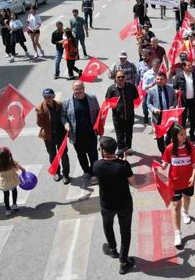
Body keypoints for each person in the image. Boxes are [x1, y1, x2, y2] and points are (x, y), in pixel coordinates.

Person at [93, 136, 138, 275]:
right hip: (124, 203)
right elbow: (134, 183)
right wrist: (123, 162)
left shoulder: (97, 165)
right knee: (125, 231)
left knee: (108, 225)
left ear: (104, 151)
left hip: (107, 204)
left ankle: (112, 250)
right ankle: (123, 262)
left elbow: (106, 167)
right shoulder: (123, 166)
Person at [158, 125, 195, 248]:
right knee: (176, 206)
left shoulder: (190, 147)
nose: (184, 136)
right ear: (175, 136)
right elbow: (164, 165)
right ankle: (178, 233)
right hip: (174, 183)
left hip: (187, 182)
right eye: (181, 134)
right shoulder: (169, 148)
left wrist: (193, 177)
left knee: (187, 198)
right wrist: (159, 167)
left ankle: (185, 212)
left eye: (184, 133)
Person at [61, 81, 100, 183]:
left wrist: (99, 126)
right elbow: (63, 115)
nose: (78, 91)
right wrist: (65, 123)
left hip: (91, 133)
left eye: (80, 88)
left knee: (93, 154)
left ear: (84, 88)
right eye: (76, 89)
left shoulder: (92, 98)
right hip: (76, 135)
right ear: (72, 90)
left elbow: (98, 112)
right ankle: (86, 171)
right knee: (81, 154)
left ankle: (94, 173)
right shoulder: (67, 102)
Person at [36, 88, 70, 184]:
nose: (47, 99)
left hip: (60, 134)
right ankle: (56, 172)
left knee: (64, 155)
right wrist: (39, 116)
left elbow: (64, 117)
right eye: (45, 97)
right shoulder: (40, 108)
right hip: (48, 136)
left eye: (49, 97)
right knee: (52, 155)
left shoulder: (59, 105)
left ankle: (66, 174)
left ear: (53, 96)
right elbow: (39, 124)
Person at [105, 70, 138, 157]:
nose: (121, 78)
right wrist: (112, 105)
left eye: (122, 77)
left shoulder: (131, 87)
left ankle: (128, 148)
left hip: (129, 115)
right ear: (115, 78)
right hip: (118, 117)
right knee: (119, 135)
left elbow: (136, 97)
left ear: (125, 77)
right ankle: (120, 150)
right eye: (118, 77)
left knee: (129, 133)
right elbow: (107, 101)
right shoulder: (111, 89)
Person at [146, 72, 177, 153]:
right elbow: (148, 103)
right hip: (158, 116)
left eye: (161, 79)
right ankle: (163, 152)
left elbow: (175, 100)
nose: (159, 81)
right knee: (160, 136)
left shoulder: (170, 88)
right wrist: (153, 109)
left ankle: (168, 148)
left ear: (165, 80)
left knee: (169, 134)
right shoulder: (152, 90)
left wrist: (173, 106)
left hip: (169, 115)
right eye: (157, 79)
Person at [173, 61, 195, 141]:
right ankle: (183, 134)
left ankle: (192, 133)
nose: (191, 67)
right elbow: (174, 87)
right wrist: (176, 91)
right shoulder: (178, 76)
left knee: (193, 118)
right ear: (183, 67)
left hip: (193, 100)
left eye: (191, 65)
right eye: (189, 65)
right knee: (183, 119)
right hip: (183, 101)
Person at [0, 147, 24, 216]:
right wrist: (23, 170)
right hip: (12, 180)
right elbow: (19, 167)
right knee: (14, 191)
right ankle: (14, 204)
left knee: (6, 195)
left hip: (4, 182)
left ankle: (7, 209)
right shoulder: (11, 162)